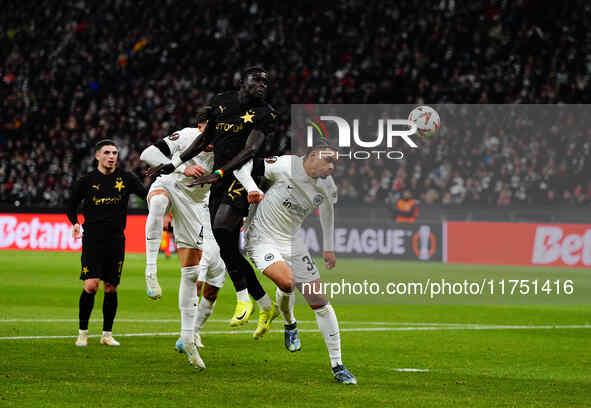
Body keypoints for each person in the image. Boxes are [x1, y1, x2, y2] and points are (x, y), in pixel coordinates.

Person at [147, 66, 279, 338]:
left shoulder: (266, 113)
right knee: (226, 244)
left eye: (266, 81)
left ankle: (245, 298)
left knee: (220, 229)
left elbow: (251, 149)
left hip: (242, 175)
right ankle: (263, 302)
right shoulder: (222, 102)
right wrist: (174, 164)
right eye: (258, 80)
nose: (263, 85)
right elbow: (205, 139)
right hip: (217, 179)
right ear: (243, 81)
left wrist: (218, 172)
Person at [233, 145, 357, 384]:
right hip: (262, 238)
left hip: (293, 241)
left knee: (319, 301)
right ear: (312, 156)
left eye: (335, 163)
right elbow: (243, 165)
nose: (332, 166)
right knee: (288, 282)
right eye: (328, 159)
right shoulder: (285, 165)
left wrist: (328, 246)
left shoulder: (327, 186)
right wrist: (251, 188)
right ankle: (290, 324)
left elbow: (328, 213)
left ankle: (338, 364)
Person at [140, 107, 225, 369]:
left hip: (195, 207)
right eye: (209, 130)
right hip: (170, 184)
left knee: (191, 275)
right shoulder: (187, 136)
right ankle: (150, 270)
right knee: (156, 206)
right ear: (201, 128)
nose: (212, 137)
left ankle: (188, 339)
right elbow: (148, 154)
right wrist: (183, 170)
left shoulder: (223, 150)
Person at [67, 139, 148, 347]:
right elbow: (71, 204)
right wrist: (75, 222)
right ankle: (82, 332)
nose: (112, 156)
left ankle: (107, 334)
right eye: (107, 153)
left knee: (111, 288)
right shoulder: (86, 181)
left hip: (116, 240)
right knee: (91, 285)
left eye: (114, 153)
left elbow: (147, 196)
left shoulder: (126, 178)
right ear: (97, 156)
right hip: (93, 240)